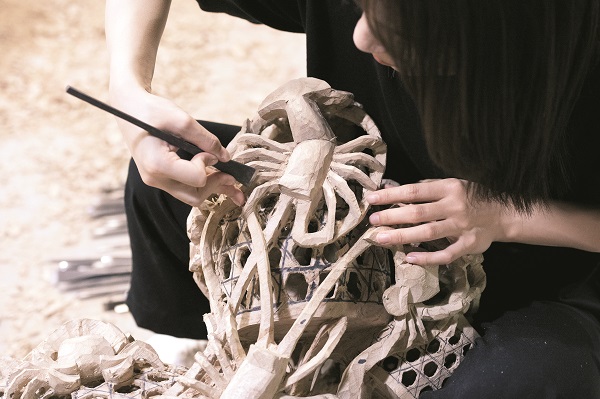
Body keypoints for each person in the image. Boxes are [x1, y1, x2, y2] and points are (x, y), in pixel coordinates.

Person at [105, 0, 600, 397]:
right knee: (170, 186)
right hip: (368, 214)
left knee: (527, 378)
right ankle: (197, 349)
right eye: (360, 9)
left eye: (396, 29)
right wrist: (127, 89)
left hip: (552, 261)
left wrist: (508, 216)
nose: (361, 37)